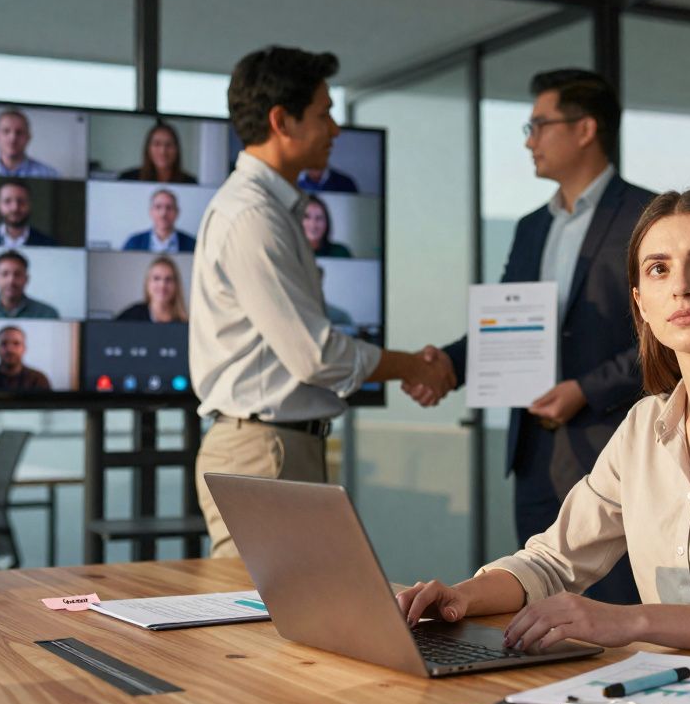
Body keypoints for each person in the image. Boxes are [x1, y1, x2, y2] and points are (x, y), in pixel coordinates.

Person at [397, 189, 690, 661]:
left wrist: (629, 621)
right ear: (641, 303)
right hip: (673, 683)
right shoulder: (644, 426)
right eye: (659, 269)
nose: (681, 286)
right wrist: (460, 597)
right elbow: (553, 561)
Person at [190, 46, 452, 558]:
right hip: (264, 454)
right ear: (281, 121)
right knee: (264, 611)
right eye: (323, 114)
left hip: (278, 449)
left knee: (304, 608)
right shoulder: (253, 217)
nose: (335, 129)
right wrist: (412, 367)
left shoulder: (271, 209)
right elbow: (315, 355)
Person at [405, 69, 652, 605]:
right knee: (540, 603)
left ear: (585, 129)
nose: (528, 140)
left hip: (610, 445)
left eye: (540, 125)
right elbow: (504, 325)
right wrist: (445, 364)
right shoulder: (531, 227)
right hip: (535, 451)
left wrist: (585, 389)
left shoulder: (646, 216)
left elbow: (664, 336)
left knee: (614, 611)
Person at [0, 109, 60, 178]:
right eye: (6, 131)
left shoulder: (48, 175)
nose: (13, 138)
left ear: (28, 137)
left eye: (19, 132)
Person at [0, 250, 60, 319]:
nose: (11, 281)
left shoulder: (47, 314)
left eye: (17, 274)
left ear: (26, 279)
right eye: (5, 274)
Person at [0, 179, 58, 248]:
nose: (15, 208)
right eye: (7, 201)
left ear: (29, 204)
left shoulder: (48, 244)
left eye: (21, 201)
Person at [0, 325, 52, 391]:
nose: (10, 349)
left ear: (24, 348)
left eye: (16, 343)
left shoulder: (38, 380)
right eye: (4, 343)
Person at [118, 122, 199, 183]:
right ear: (148, 148)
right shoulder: (127, 179)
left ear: (177, 149)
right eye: (157, 144)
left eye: (169, 145)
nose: (163, 151)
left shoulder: (190, 182)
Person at [122, 189, 197, 253]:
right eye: (158, 207)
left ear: (177, 212)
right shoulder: (134, 243)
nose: (163, 213)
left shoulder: (192, 244)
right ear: (151, 211)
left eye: (169, 207)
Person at [117, 256, 189, 323]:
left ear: (176, 285)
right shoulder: (132, 315)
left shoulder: (184, 322)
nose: (162, 285)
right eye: (156, 278)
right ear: (147, 283)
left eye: (168, 279)